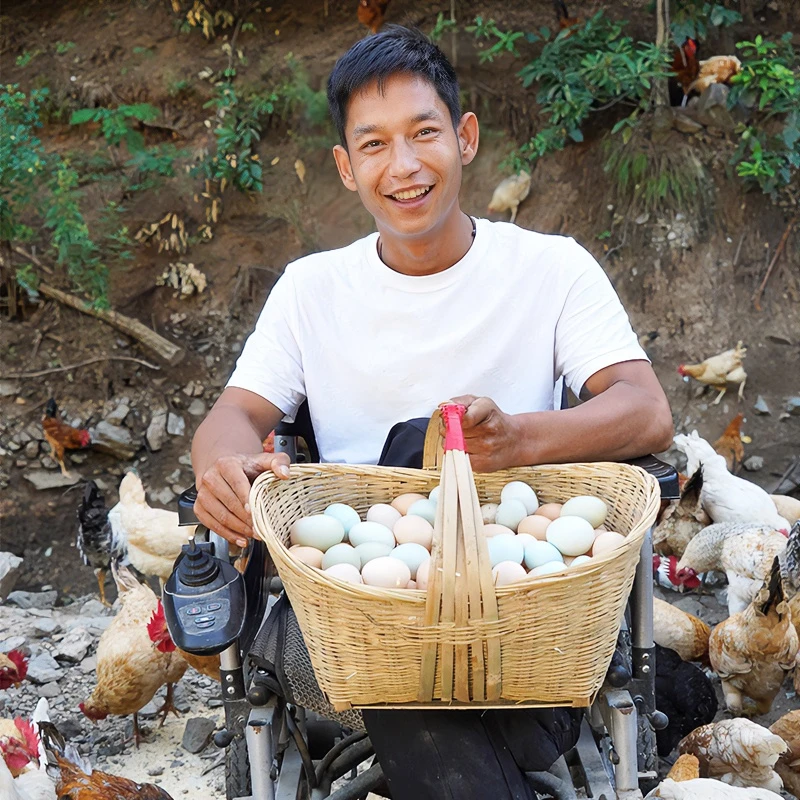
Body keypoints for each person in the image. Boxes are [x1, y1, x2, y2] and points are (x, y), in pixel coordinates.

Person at [191, 25, 673, 799]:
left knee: (423, 691)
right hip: (365, 616)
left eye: (424, 134)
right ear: (347, 168)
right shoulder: (312, 290)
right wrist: (223, 467)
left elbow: (646, 411)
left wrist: (517, 441)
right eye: (374, 145)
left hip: (525, 606)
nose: (405, 166)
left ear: (466, 137)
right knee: (400, 669)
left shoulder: (550, 270)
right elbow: (232, 419)